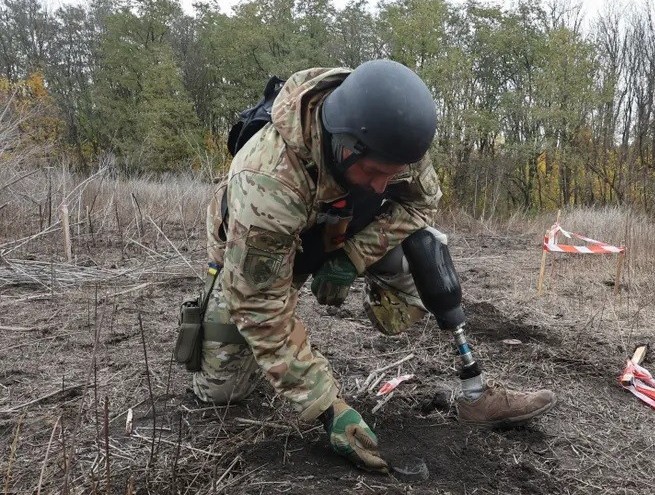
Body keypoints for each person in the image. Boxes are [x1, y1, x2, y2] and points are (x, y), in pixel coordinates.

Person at [192, 59, 557, 473]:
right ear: (346, 145)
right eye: (376, 172)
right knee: (221, 392)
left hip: (344, 233)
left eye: (394, 173)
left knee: (426, 248)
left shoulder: (390, 132)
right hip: (270, 252)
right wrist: (329, 407)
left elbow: (422, 203)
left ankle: (474, 392)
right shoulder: (268, 181)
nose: (385, 185)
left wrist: (351, 258)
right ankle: (248, 343)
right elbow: (258, 304)